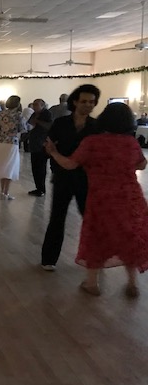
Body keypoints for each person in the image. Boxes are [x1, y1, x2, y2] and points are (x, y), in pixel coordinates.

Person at [45, 102, 148, 297]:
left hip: (102, 198)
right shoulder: (130, 143)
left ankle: (92, 283)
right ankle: (132, 283)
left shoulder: (92, 142)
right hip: (130, 197)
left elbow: (70, 164)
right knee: (130, 237)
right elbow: (142, 165)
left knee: (96, 236)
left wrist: (53, 152)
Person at [40, 84, 100, 271]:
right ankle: (49, 259)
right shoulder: (61, 123)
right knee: (57, 218)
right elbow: (49, 146)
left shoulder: (96, 126)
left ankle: (96, 258)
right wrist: (54, 155)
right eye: (84, 101)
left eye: (91, 102)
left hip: (87, 179)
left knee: (90, 220)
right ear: (75, 102)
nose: (88, 105)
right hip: (63, 176)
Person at [26, 99, 53, 196]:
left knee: (41, 168)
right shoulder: (34, 114)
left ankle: (41, 189)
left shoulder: (47, 114)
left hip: (42, 144)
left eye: (36, 105)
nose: (34, 106)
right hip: (34, 144)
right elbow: (30, 123)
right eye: (33, 104)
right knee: (35, 167)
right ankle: (38, 188)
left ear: (42, 105)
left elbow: (49, 126)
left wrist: (38, 121)